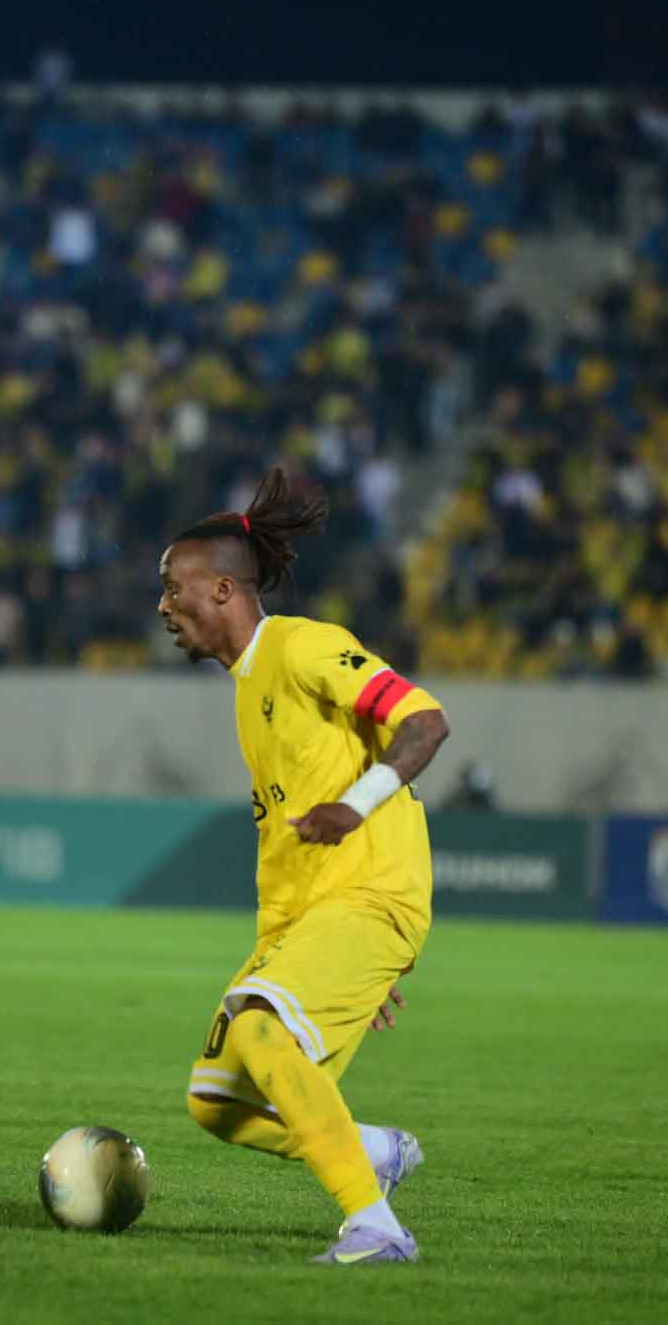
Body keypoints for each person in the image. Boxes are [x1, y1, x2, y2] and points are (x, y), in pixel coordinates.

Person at [160, 468, 452, 1266]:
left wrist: (353, 808)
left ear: (223, 589)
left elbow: (425, 722)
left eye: (174, 587)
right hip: (315, 917)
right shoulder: (248, 686)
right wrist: (321, 959)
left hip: (370, 894)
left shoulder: (302, 647)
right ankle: (373, 1151)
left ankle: (376, 1227)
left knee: (260, 1026)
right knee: (216, 1101)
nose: (163, 606)